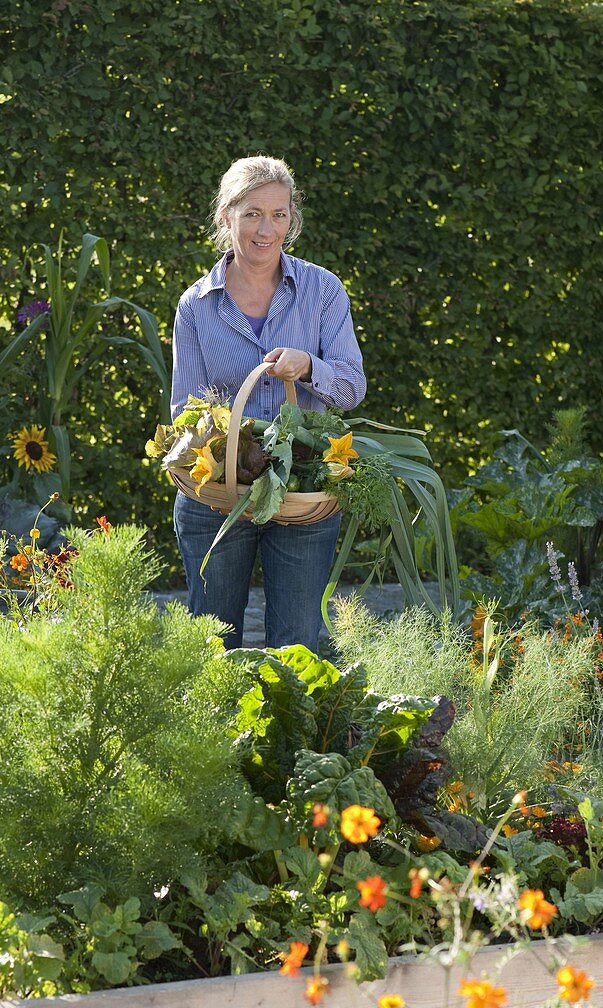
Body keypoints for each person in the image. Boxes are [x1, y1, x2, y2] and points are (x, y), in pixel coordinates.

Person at [171, 155, 366, 651]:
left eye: (279, 215)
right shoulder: (197, 305)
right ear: (226, 216)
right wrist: (226, 450)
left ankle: (291, 733)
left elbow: (350, 388)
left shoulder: (322, 291)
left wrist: (308, 367)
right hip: (220, 494)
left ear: (291, 220)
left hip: (303, 490)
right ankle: (218, 732)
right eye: (253, 213)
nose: (267, 229)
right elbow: (184, 414)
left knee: (298, 648)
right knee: (212, 649)